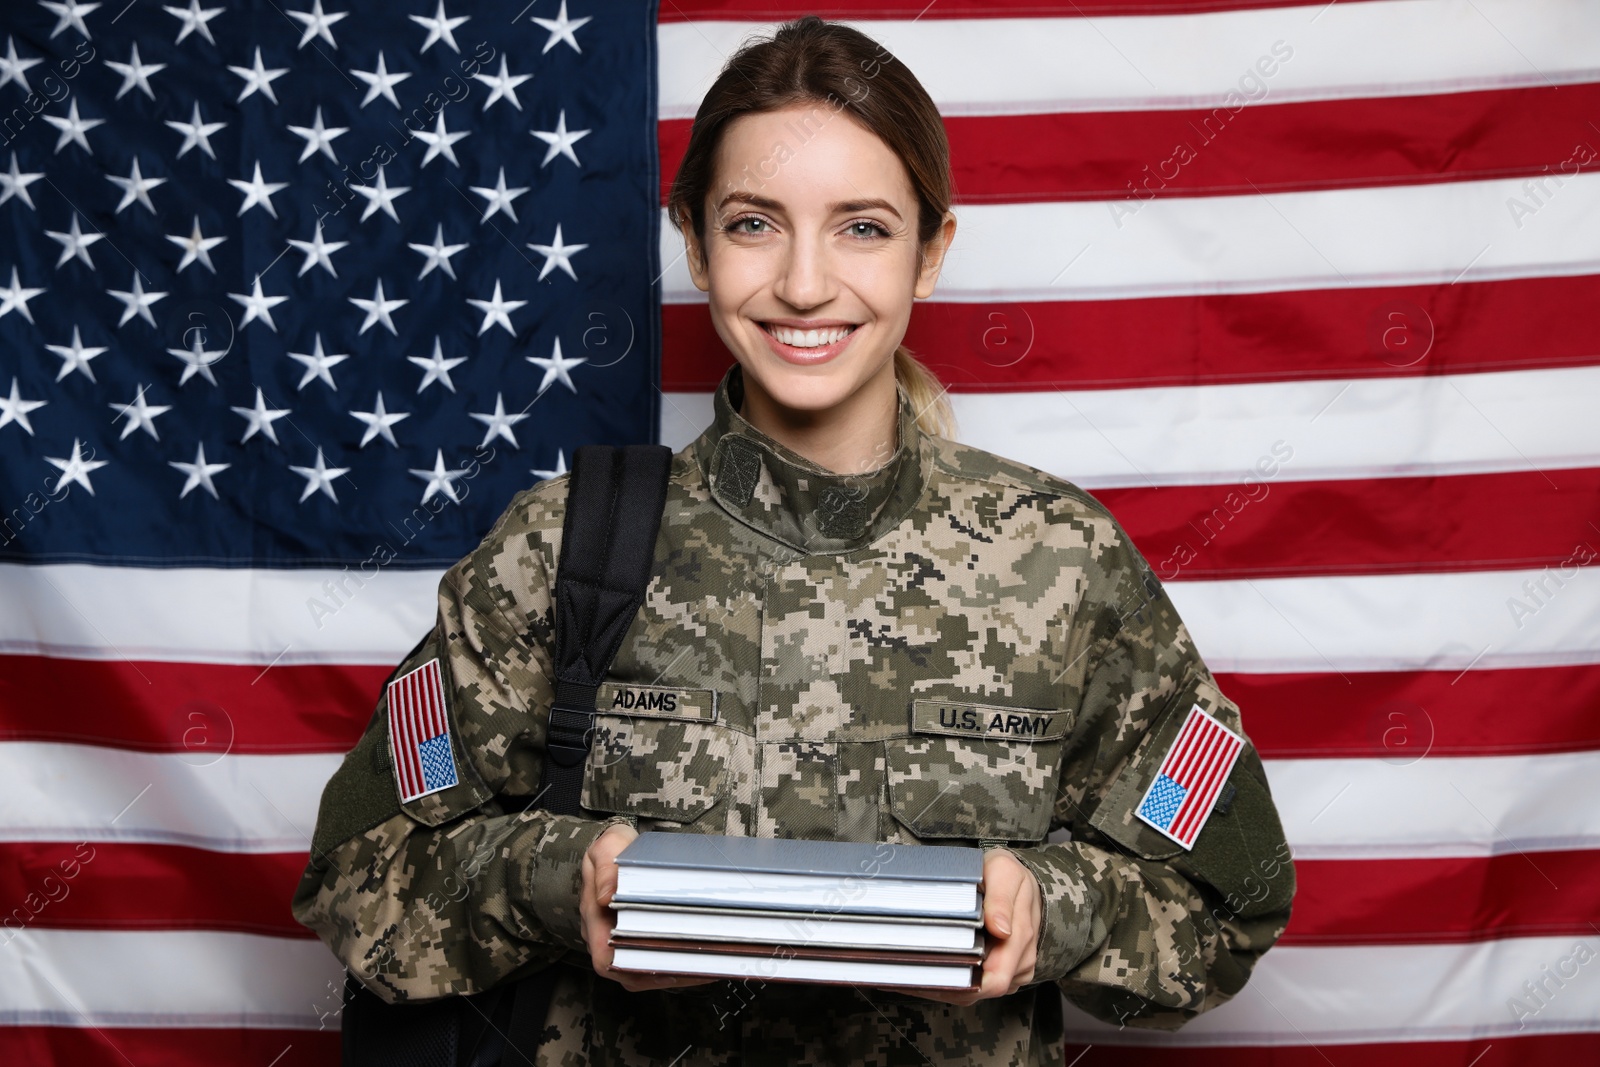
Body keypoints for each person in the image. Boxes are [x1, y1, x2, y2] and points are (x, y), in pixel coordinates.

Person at [293, 15, 1295, 1064]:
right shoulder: (563, 550)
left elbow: (1229, 901)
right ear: (694, 242)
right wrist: (560, 879)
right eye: (753, 224)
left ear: (930, 251)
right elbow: (359, 879)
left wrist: (1054, 908)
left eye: (861, 226)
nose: (806, 284)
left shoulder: (1057, 558)